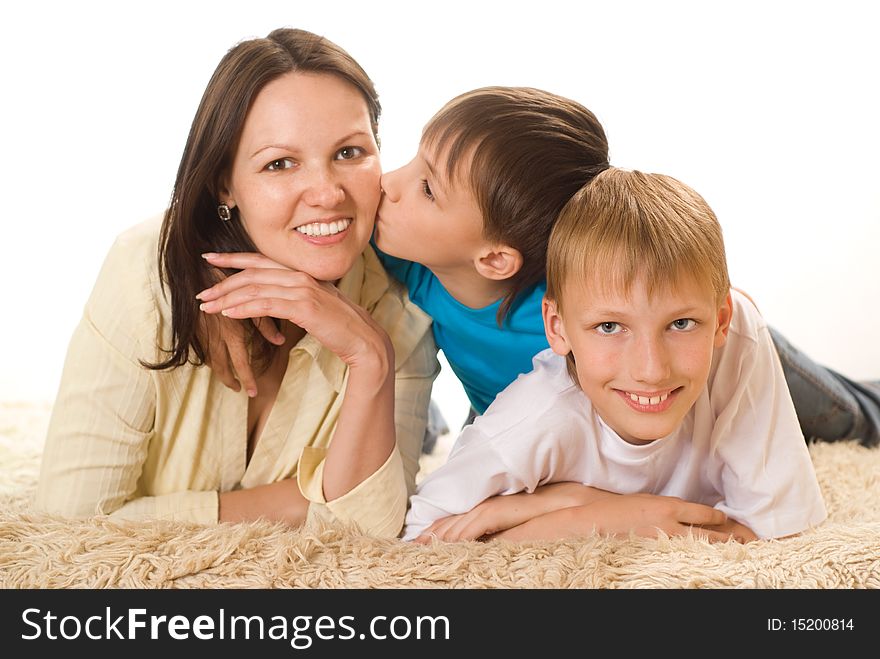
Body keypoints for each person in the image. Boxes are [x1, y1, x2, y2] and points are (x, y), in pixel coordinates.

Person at [35, 28, 439, 538]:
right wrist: (301, 503)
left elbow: (374, 533)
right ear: (225, 184)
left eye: (350, 152)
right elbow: (64, 524)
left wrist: (370, 356)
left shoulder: (401, 310)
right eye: (280, 163)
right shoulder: (144, 275)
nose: (327, 192)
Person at [372, 86, 880, 449]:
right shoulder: (408, 258)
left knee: (849, 418)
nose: (388, 182)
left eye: (427, 188)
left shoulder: (581, 312)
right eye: (415, 162)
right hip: (511, 405)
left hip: (719, 361)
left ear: (496, 259)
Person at [403, 168, 827, 543]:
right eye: (610, 327)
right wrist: (588, 512)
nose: (651, 370)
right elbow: (421, 535)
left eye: (681, 324)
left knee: (854, 416)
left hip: (766, 366)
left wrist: (576, 505)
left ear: (718, 320)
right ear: (556, 328)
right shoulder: (532, 420)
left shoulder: (737, 333)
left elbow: (779, 530)